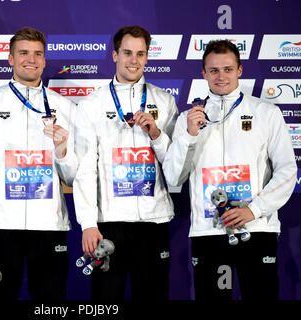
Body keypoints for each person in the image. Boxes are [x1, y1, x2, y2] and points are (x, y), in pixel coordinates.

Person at [162, 39, 297, 300]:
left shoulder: (266, 113)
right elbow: (173, 177)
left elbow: (287, 170)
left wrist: (252, 210)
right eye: (213, 70)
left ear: (239, 70)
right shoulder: (187, 120)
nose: (220, 76)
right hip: (208, 231)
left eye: (227, 69)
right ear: (203, 73)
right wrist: (189, 136)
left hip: (256, 228)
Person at [0, 27, 77, 300]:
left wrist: (62, 150)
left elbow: (72, 177)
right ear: (10, 58)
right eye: (23, 53)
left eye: (38, 54)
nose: (31, 59)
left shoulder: (66, 107)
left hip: (49, 228)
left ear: (45, 60)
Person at [73, 26, 179, 300]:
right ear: (115, 55)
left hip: (153, 222)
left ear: (147, 57)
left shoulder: (165, 102)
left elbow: (177, 168)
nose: (134, 60)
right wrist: (88, 223)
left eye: (140, 54)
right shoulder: (92, 104)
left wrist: (156, 134)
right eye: (128, 53)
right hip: (110, 223)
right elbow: (85, 168)